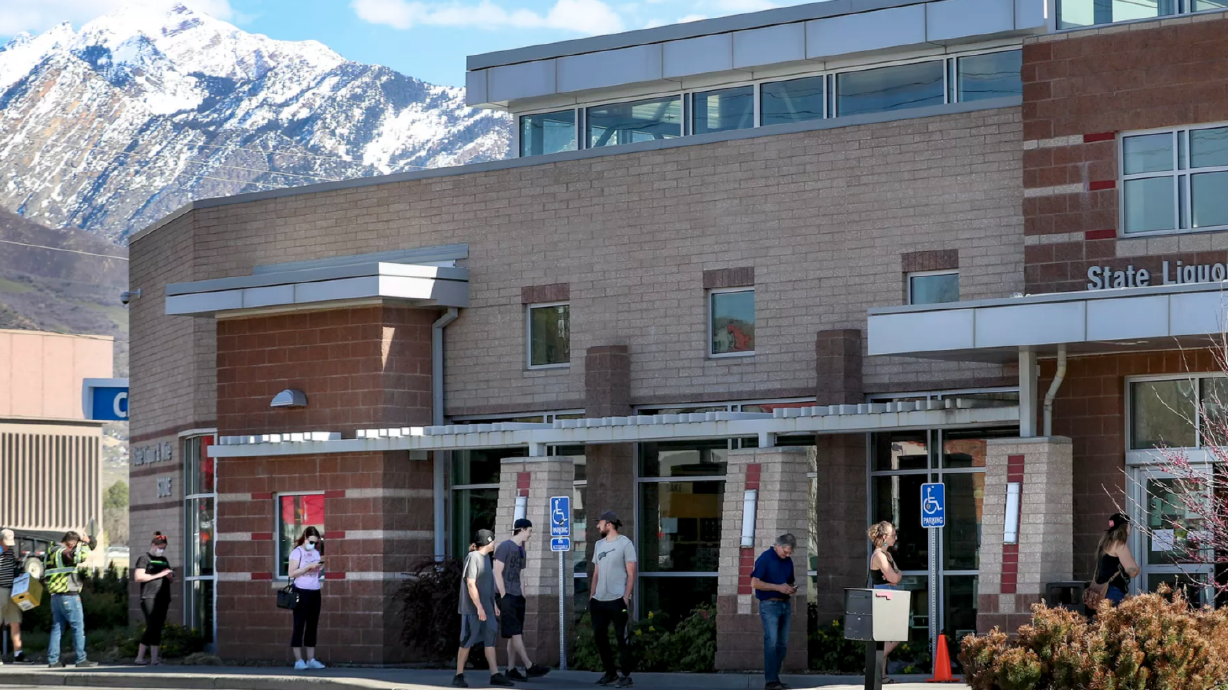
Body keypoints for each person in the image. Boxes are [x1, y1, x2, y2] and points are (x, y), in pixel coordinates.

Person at [454, 529, 515, 688]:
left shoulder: (486, 558)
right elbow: (470, 583)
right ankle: (458, 675)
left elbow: (486, 586)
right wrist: (479, 607)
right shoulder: (473, 557)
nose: (495, 543)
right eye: (493, 540)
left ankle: (495, 674)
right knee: (466, 642)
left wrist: (493, 605)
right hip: (472, 610)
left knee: (490, 641)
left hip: (487, 609)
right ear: (488, 542)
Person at [494, 519, 549, 681]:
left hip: (518, 596)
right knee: (516, 632)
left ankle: (511, 670)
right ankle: (529, 665)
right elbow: (497, 572)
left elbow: (521, 574)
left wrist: (523, 594)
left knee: (514, 634)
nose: (530, 534)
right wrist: (504, 595)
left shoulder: (521, 550)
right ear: (522, 529)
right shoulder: (504, 547)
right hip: (507, 596)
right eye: (529, 531)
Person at [589, 510, 637, 688]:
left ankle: (626, 675)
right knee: (600, 637)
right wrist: (592, 596)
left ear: (609, 524)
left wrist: (626, 596)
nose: (597, 526)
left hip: (618, 599)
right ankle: (610, 673)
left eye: (599, 523)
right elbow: (596, 572)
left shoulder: (625, 544)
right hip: (599, 600)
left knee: (621, 637)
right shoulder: (598, 544)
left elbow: (631, 574)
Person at [750, 534, 798, 690]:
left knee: (782, 644)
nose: (788, 555)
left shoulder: (788, 561)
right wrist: (778, 587)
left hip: (785, 603)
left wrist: (790, 588)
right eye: (786, 551)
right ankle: (771, 681)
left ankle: (775, 678)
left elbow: (789, 580)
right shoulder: (765, 558)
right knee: (771, 642)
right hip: (769, 605)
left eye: (790, 552)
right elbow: (754, 582)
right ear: (778, 545)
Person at [45, 530, 97, 668]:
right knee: (78, 627)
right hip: (69, 595)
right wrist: (85, 544)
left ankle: (53, 660)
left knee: (57, 628)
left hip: (55, 596)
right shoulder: (64, 552)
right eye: (75, 545)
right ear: (71, 543)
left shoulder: (50, 553)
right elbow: (79, 557)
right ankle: (81, 659)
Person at [867, 522, 902, 684]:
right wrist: (896, 576)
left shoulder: (886, 555)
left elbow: (897, 575)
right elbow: (895, 577)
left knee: (886, 636)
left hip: (888, 594)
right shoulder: (880, 556)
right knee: (895, 636)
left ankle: (881, 675)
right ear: (884, 537)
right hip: (883, 595)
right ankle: (873, 664)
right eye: (893, 535)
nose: (895, 538)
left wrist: (896, 576)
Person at [287, 527, 326, 670]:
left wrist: (318, 570)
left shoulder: (316, 553)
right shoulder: (297, 552)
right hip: (301, 591)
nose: (313, 545)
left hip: (315, 591)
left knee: (312, 625)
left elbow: (316, 573)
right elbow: (291, 573)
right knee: (299, 624)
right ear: (305, 538)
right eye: (311, 542)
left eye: (315, 543)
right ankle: (298, 660)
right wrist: (308, 567)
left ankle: (311, 659)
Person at [133, 532, 174, 665]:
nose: (161, 550)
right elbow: (138, 577)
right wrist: (159, 574)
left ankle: (154, 658)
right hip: (149, 596)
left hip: (163, 597)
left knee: (158, 627)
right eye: (159, 547)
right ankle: (139, 657)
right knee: (152, 625)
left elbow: (170, 579)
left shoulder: (164, 560)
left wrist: (169, 576)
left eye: (163, 548)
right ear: (153, 545)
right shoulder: (144, 558)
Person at [1093, 512, 1139, 606]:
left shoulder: (1104, 544)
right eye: (1130, 525)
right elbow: (1133, 571)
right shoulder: (1119, 545)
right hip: (1114, 592)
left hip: (1101, 591)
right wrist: (1136, 568)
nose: (1131, 527)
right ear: (1125, 526)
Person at [0, 529, 27, 664]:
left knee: (15, 622)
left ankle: (18, 654)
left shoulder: (11, 552)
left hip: (12, 589)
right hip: (0, 590)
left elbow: (14, 568)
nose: (8, 546)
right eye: (5, 543)